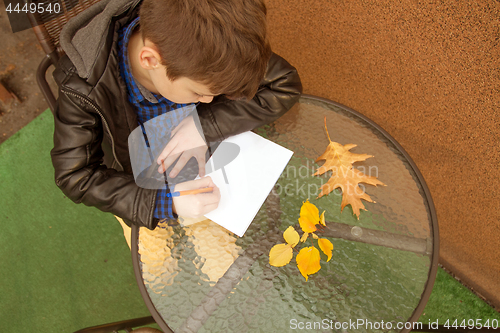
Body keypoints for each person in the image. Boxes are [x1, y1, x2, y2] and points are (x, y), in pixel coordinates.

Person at [51, 0, 302, 242]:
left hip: (211, 169)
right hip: (140, 187)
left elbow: (284, 83)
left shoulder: (215, 41)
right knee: (161, 263)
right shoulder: (82, 87)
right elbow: (76, 176)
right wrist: (165, 202)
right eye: (198, 93)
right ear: (150, 60)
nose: (208, 101)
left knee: (220, 253)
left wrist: (202, 125)